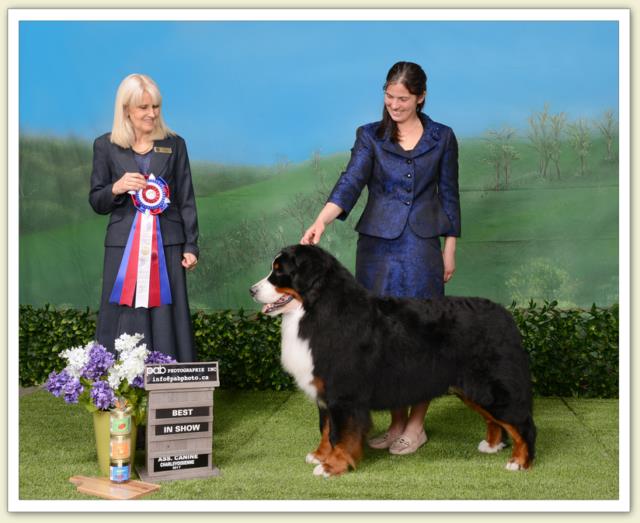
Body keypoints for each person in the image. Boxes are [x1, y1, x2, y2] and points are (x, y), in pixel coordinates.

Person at [301, 61, 461, 455]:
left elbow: (449, 194)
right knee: (380, 338)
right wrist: (322, 221)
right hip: (376, 249)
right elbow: (350, 181)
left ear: (421, 97)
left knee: (423, 334)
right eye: (389, 97)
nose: (394, 105)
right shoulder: (369, 136)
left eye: (403, 99)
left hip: (423, 247)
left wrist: (449, 247)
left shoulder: (443, 137)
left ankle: (417, 425)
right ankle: (395, 424)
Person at [89, 73, 199, 362]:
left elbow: (186, 198)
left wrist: (190, 246)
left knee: (167, 315)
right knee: (124, 315)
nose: (152, 114)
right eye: (144, 108)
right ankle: (119, 392)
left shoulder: (176, 144)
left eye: (156, 107)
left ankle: (172, 385)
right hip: (121, 246)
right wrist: (117, 187)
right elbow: (97, 201)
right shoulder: (105, 146)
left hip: (169, 245)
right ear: (126, 109)